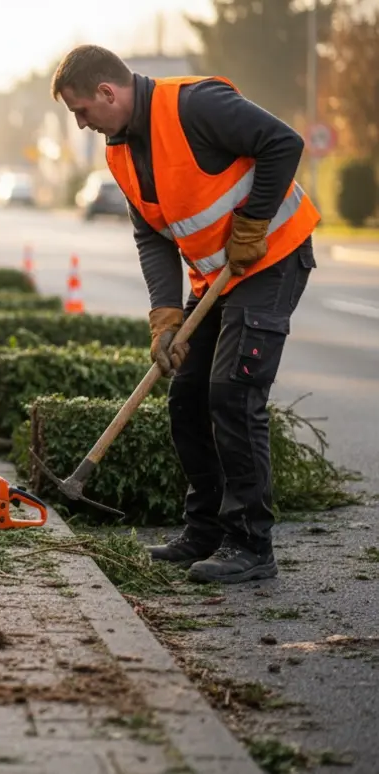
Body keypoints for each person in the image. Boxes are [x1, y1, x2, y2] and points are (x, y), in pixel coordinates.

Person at [49, 44, 318, 584]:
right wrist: (166, 317)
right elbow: (152, 238)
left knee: (233, 391)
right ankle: (205, 531)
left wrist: (253, 223)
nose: (80, 124)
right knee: (187, 394)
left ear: (108, 92)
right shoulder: (119, 151)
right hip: (216, 280)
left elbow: (283, 143)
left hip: (272, 259)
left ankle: (251, 544)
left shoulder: (194, 105)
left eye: (81, 111)